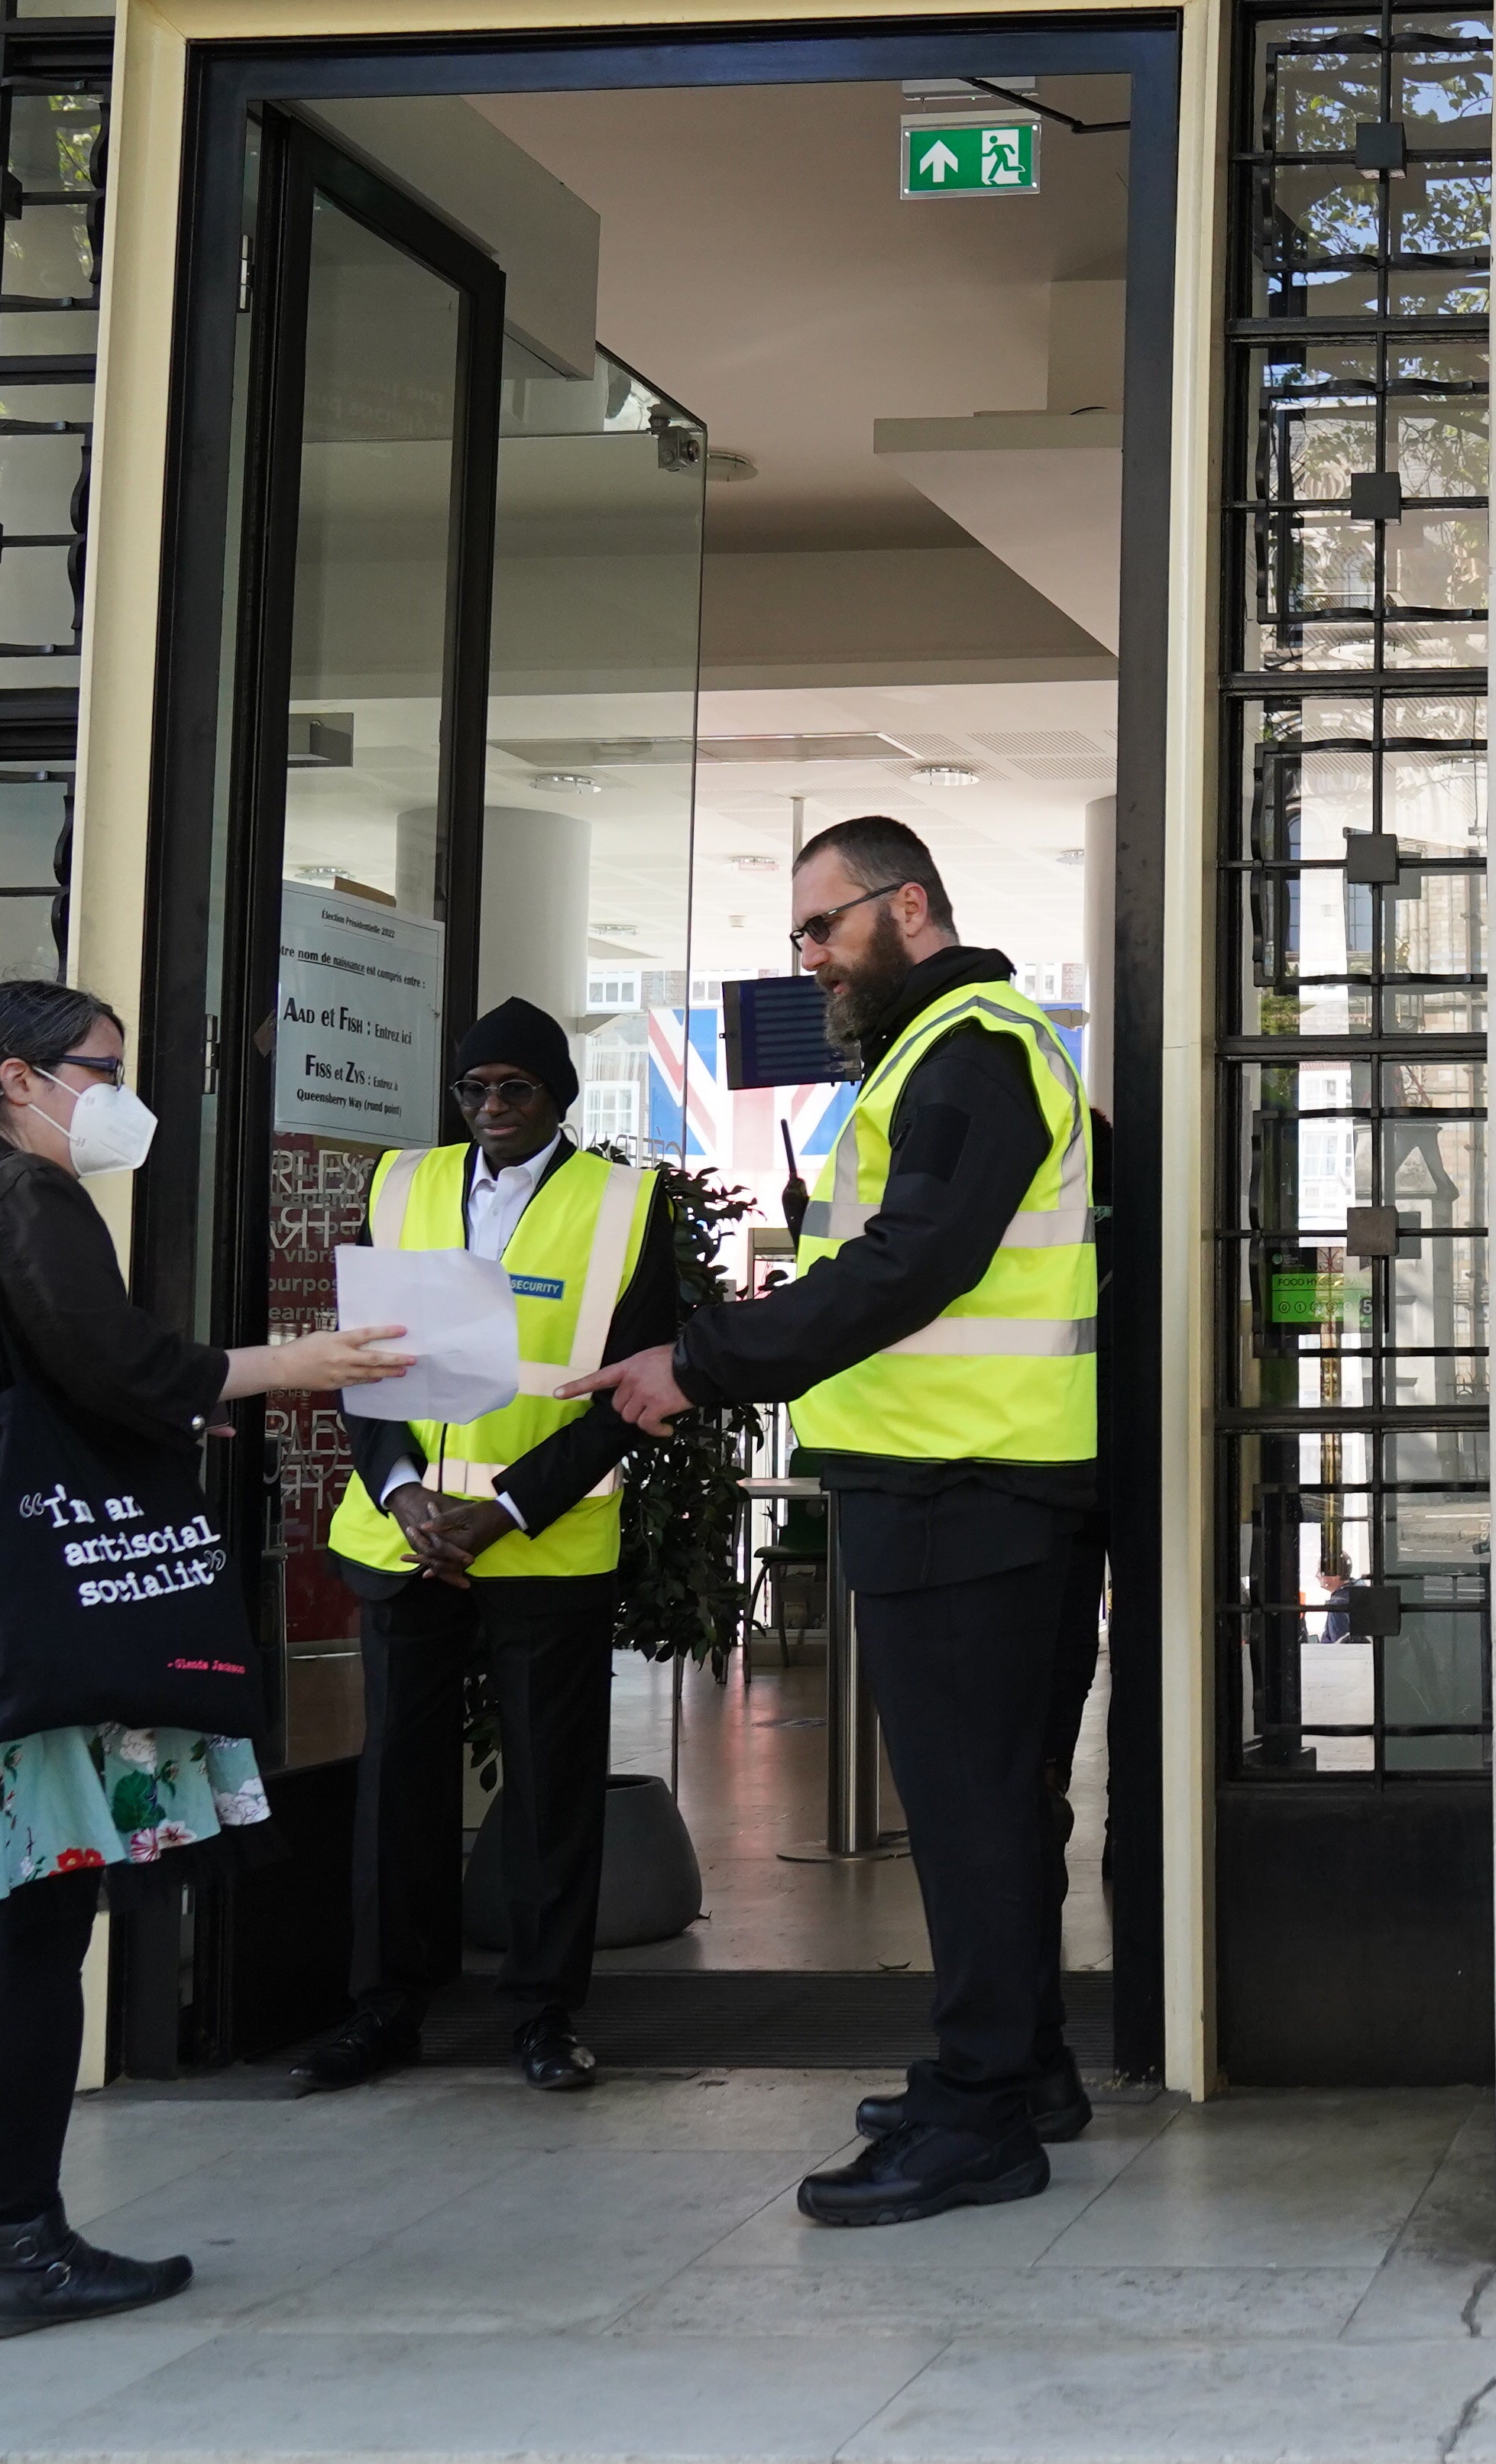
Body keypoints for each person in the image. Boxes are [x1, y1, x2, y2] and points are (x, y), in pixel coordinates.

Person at [0, 980, 413, 2339]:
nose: (120, 1097)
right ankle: (17, 2237)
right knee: (45, 1903)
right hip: (1, 1579)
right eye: (104, 1068)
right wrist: (301, 1358)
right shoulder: (19, 1196)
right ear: (19, 1079)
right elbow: (133, 1369)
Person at [561, 817, 1096, 2228]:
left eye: (819, 928)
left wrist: (703, 1358)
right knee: (999, 1808)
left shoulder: (970, 1052)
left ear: (907, 904)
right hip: (975, 1486)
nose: (805, 960)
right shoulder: (954, 1051)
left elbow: (914, 1265)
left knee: (971, 1814)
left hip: (963, 1491)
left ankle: (984, 2113)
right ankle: (1022, 2069)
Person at [289, 999, 678, 2100]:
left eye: (516, 1088)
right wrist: (406, 1490)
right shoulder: (400, 1185)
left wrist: (507, 1510)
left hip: (542, 1539)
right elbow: (357, 1359)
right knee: (397, 1783)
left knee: (554, 1788)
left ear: (557, 1092)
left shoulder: (624, 1204)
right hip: (407, 1532)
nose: (493, 1109)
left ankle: (545, 2014)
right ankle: (387, 2007)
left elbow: (636, 1394)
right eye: (474, 1089)